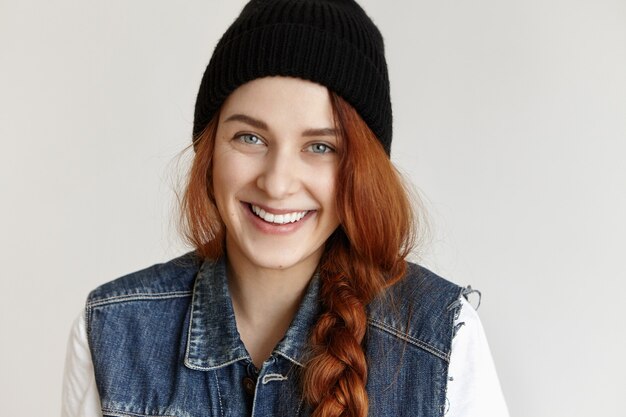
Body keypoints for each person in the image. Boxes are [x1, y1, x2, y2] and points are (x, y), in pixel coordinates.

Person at [62, 1, 509, 416]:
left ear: (361, 170)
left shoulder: (441, 342)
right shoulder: (112, 329)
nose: (276, 183)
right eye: (250, 138)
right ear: (210, 151)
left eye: (320, 146)